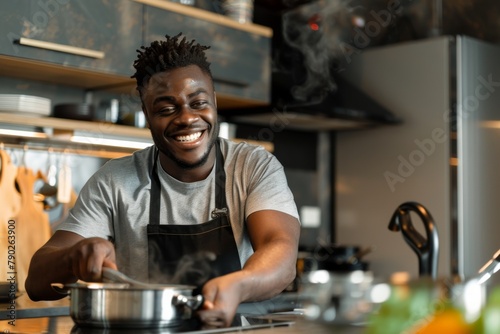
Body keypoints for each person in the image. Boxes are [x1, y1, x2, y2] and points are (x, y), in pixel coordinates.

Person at [25, 33, 301, 327]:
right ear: (146, 114)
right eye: (167, 109)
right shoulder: (114, 181)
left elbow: (281, 251)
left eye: (198, 103)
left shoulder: (252, 166)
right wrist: (73, 257)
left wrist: (240, 285)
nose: (186, 118)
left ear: (215, 102)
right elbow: (35, 281)